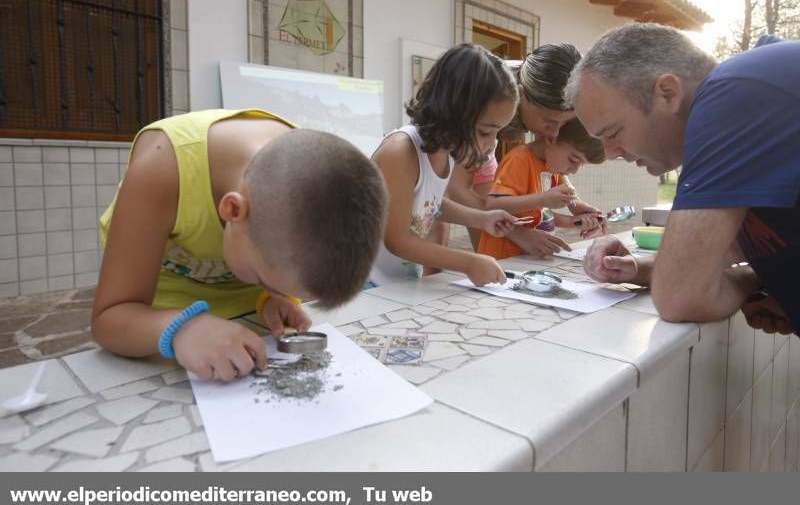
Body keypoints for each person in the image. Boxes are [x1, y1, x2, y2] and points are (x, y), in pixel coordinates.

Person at [93, 109, 388, 381]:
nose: (278, 291)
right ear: (233, 210)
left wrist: (270, 299)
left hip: (242, 332)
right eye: (265, 282)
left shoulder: (311, 185)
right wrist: (180, 329)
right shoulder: (162, 168)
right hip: (153, 326)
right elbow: (109, 318)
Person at [566, 24, 799, 335]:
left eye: (613, 132)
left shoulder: (736, 93)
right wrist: (638, 268)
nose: (609, 154)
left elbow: (679, 296)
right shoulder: (757, 105)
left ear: (667, 93)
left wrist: (750, 279)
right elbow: (727, 250)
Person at [369, 44, 519, 287]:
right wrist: (468, 262)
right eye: (485, 131)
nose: (492, 143)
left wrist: (481, 219)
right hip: (364, 285)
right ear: (454, 112)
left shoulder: (445, 152)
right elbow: (396, 240)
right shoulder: (400, 152)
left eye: (497, 132)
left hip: (399, 283)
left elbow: (429, 205)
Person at [446, 44, 607, 259]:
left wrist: (574, 202)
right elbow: (457, 190)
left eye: (564, 123)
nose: (555, 133)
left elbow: (550, 161)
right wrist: (517, 231)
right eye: (550, 122)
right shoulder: (488, 103)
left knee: (488, 254)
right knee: (438, 229)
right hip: (446, 161)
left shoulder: (550, 103)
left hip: (481, 159)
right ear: (521, 96)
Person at [478, 119, 605, 259]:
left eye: (581, 164)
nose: (574, 171)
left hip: (528, 258)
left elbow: (538, 215)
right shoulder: (518, 160)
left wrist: (576, 221)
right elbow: (494, 206)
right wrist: (543, 199)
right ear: (551, 139)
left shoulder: (550, 166)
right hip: (502, 258)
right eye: (573, 160)